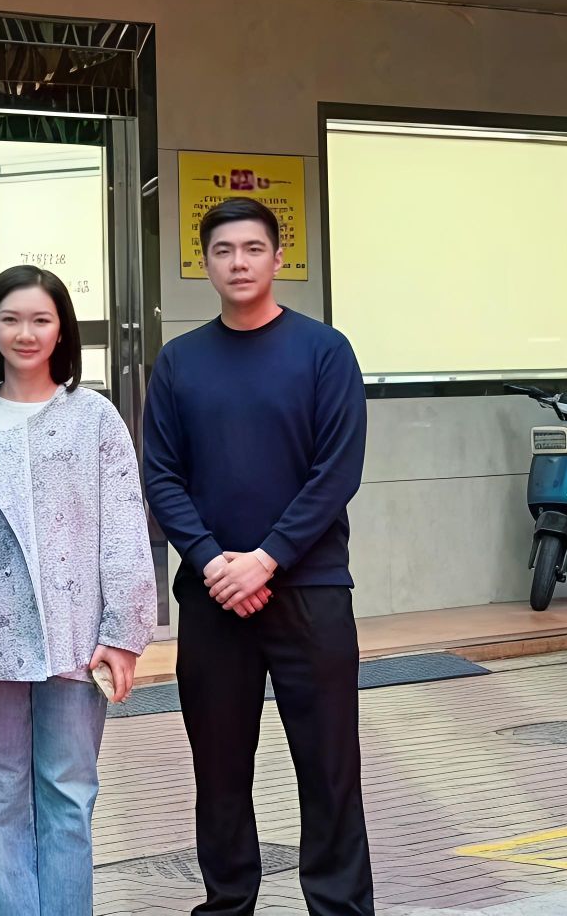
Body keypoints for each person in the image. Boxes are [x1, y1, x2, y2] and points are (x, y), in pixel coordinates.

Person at [141, 197, 373, 916]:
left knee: (329, 767)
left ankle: (339, 906)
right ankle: (227, 902)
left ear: (278, 257)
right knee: (218, 770)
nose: (237, 263)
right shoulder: (180, 362)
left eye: (251, 249)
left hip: (311, 590)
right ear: (204, 262)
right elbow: (161, 475)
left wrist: (266, 558)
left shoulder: (324, 351)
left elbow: (336, 471)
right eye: (222, 251)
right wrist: (213, 562)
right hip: (213, 598)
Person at [0, 265, 155, 916]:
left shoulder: (94, 417)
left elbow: (125, 524)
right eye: (10, 319)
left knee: (68, 794)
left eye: (41, 319)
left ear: (62, 329)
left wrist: (123, 633)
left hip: (77, 638)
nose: (25, 333)